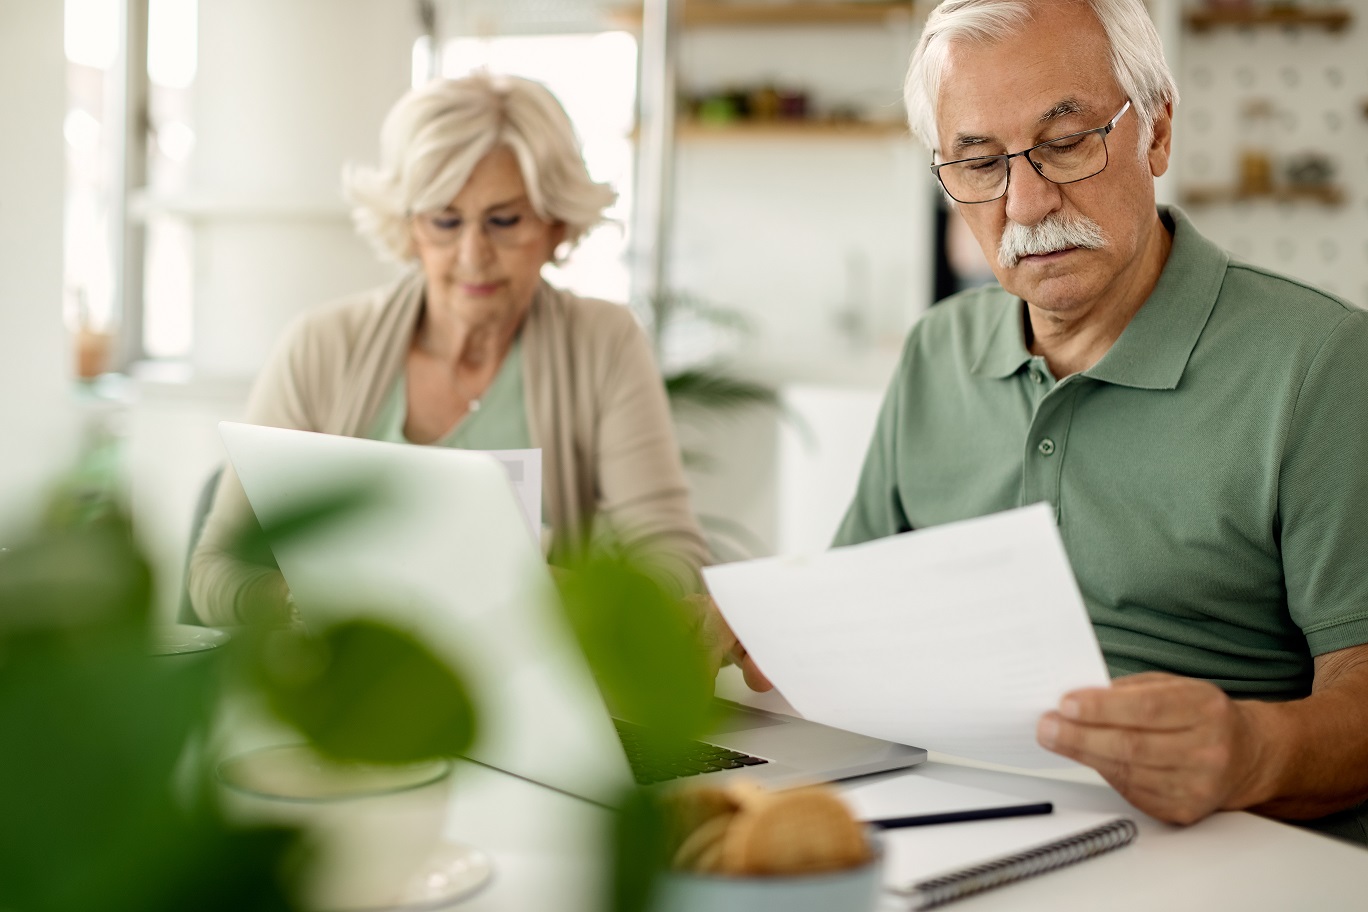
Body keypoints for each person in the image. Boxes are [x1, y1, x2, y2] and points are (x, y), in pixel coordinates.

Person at [724, 0, 1368, 842]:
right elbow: (853, 624)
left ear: (1158, 132)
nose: (1025, 202)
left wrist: (1252, 749)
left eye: (1066, 143)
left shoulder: (1320, 362)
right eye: (979, 163)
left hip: (1215, 845)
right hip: (947, 816)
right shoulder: (937, 350)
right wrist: (751, 618)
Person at [189, 73, 708, 626]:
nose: (472, 254)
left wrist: (555, 586)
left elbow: (674, 558)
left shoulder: (604, 343)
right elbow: (216, 568)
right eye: (444, 220)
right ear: (411, 227)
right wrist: (314, 598)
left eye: (504, 220)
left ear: (555, 224)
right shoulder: (321, 346)